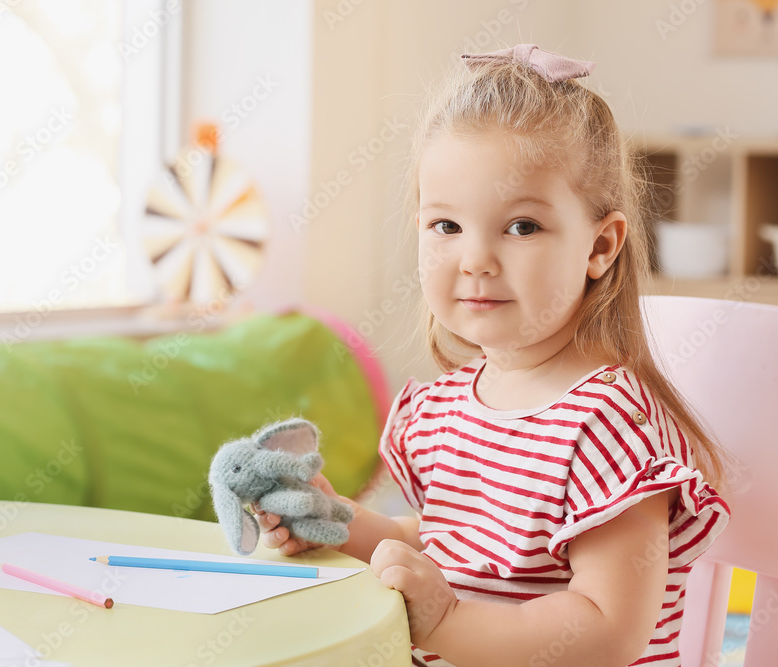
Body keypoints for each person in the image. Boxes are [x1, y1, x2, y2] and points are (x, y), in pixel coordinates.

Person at [256, 44, 732, 666]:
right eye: (446, 227)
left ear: (601, 246)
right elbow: (437, 542)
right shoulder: (444, 408)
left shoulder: (605, 427)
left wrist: (447, 621)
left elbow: (608, 629)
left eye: (522, 227)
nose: (475, 259)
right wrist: (338, 523)